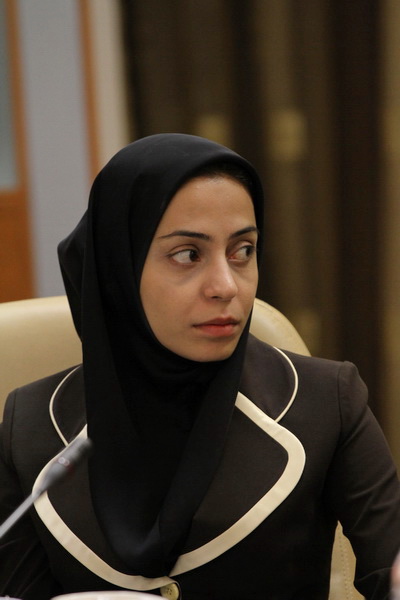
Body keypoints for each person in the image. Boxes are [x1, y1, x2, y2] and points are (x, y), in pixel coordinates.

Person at [0, 133, 399, 600]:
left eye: (243, 250)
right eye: (188, 255)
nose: (226, 286)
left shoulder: (327, 401)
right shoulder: (29, 428)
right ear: (117, 269)